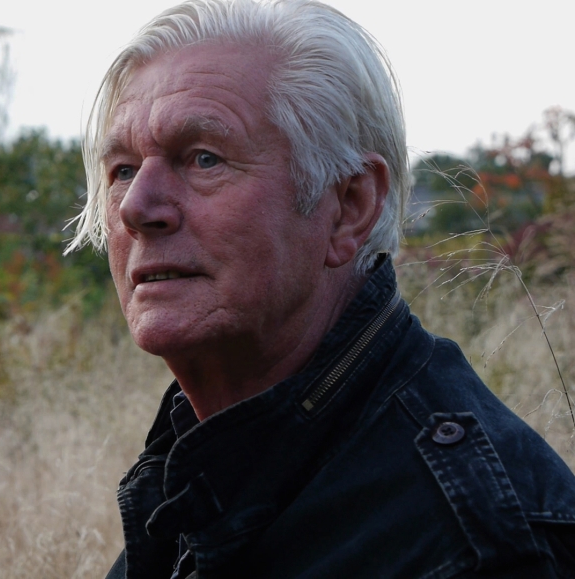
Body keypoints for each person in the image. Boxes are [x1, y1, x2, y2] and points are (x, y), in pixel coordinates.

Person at [64, 0, 575, 577]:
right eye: (123, 170)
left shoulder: (476, 544)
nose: (136, 208)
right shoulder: (203, 468)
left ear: (349, 206)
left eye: (203, 158)